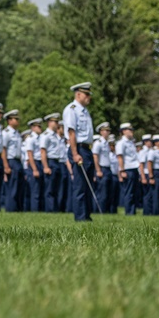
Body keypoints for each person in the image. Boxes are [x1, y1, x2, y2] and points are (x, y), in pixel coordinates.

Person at [62, 82, 97, 222]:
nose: (89, 97)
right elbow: (71, 132)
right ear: (78, 94)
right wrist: (75, 153)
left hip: (87, 149)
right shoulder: (72, 109)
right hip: (78, 148)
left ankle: (87, 215)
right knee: (80, 185)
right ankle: (80, 216)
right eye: (86, 94)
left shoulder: (84, 110)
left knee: (88, 185)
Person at [1, 110, 23, 213]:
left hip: (18, 161)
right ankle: (11, 208)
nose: (18, 121)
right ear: (9, 120)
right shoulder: (6, 133)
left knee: (18, 186)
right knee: (12, 186)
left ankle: (17, 208)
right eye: (16, 119)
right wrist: (6, 166)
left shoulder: (17, 133)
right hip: (11, 161)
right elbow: (3, 150)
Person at [41, 114, 63, 213]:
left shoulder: (55, 136)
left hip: (57, 162)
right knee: (50, 189)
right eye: (55, 122)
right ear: (49, 122)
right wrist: (45, 166)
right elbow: (43, 152)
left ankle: (55, 209)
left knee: (56, 188)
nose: (57, 124)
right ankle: (50, 210)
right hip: (50, 162)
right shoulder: (46, 135)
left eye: (57, 122)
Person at [116, 123, 140, 214]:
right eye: (129, 130)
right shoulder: (121, 143)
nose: (131, 132)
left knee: (134, 192)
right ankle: (129, 212)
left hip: (134, 167)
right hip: (127, 168)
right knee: (128, 192)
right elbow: (120, 157)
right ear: (124, 131)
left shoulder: (130, 142)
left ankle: (132, 211)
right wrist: (122, 170)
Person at [23, 119, 44, 212]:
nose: (40, 128)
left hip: (40, 163)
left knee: (40, 189)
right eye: (38, 126)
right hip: (34, 163)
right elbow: (30, 155)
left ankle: (40, 210)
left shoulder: (41, 138)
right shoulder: (30, 139)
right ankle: (34, 210)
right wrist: (35, 169)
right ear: (33, 127)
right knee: (35, 190)